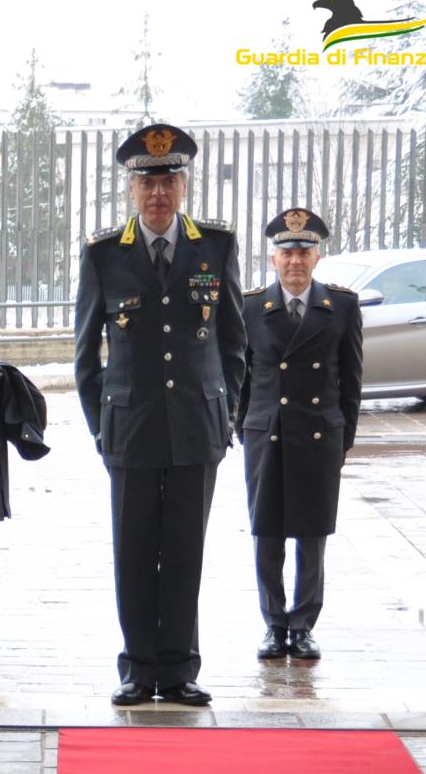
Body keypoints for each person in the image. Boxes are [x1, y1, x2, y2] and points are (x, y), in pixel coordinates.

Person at [74, 123, 246, 706]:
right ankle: (136, 667)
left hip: (197, 427)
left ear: (184, 186)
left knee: (184, 550)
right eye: (146, 183)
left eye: (168, 181)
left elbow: (233, 342)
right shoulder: (103, 254)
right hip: (131, 427)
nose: (157, 194)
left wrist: (227, 412)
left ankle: (178, 669)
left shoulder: (215, 248)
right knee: (133, 548)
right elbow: (85, 355)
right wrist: (103, 424)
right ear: (130, 189)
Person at [239, 208, 363, 661]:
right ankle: (274, 624)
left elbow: (351, 381)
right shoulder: (252, 306)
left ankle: (304, 624)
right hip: (266, 433)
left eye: (304, 251)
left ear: (317, 257)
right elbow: (242, 377)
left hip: (318, 435)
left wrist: (341, 438)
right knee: (267, 533)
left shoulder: (341, 306)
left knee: (312, 535)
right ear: (273, 258)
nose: (295, 260)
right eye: (286, 252)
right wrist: (245, 427)